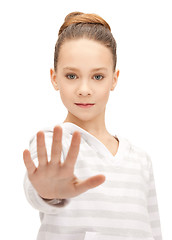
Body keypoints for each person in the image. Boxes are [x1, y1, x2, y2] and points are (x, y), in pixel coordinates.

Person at [23, 11, 162, 240]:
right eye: (71, 76)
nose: (84, 89)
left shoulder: (140, 159)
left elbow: (153, 232)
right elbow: (37, 185)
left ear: (114, 79)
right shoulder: (53, 142)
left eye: (97, 77)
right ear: (54, 77)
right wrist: (46, 191)